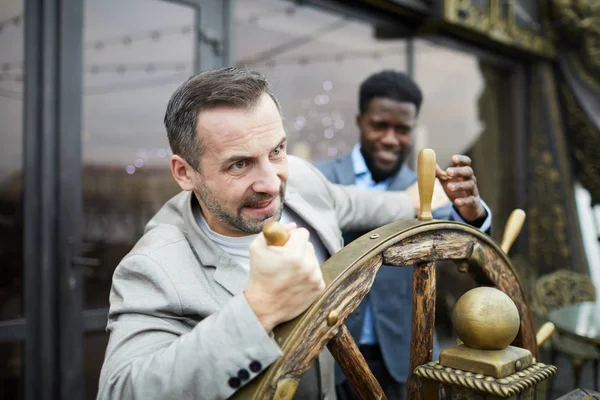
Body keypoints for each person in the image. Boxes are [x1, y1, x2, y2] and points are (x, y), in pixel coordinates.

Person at [97, 67, 482, 400]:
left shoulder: (300, 180)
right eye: (239, 164)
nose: (271, 182)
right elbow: (120, 390)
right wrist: (258, 310)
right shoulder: (154, 265)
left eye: (276, 150)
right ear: (184, 172)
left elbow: (367, 204)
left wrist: (439, 204)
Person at [314, 70, 492, 400]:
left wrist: (472, 214)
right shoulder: (322, 179)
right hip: (328, 352)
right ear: (359, 120)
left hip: (404, 356)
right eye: (380, 125)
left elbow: (463, 247)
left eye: (402, 130)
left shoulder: (425, 191)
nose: (391, 139)